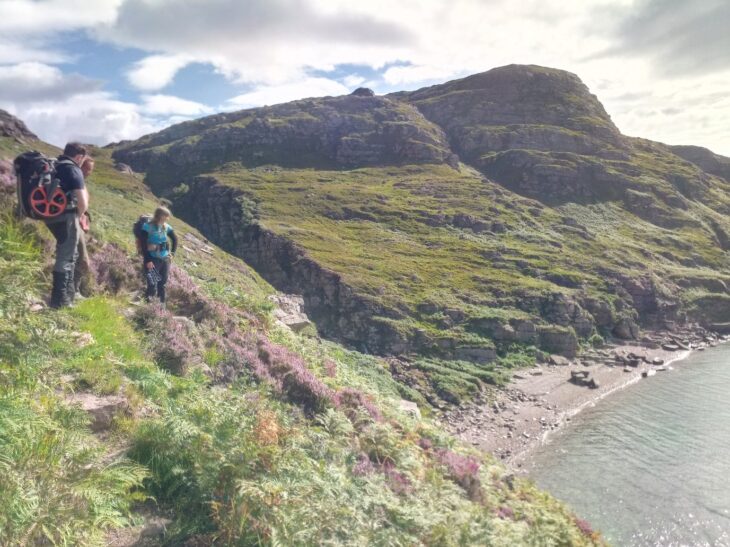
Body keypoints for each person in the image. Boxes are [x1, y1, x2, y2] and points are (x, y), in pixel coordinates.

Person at [46, 142, 90, 308]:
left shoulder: (55, 165)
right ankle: (59, 301)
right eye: (82, 159)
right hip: (65, 216)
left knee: (69, 255)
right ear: (79, 156)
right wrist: (79, 215)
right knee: (66, 256)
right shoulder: (73, 169)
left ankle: (68, 296)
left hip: (50, 215)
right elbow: (82, 202)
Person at [140, 206, 178, 304]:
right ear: (160, 216)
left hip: (165, 260)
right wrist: (148, 260)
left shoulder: (166, 227)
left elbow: (175, 239)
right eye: (166, 216)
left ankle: (161, 309)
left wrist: (172, 253)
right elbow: (143, 245)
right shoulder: (147, 226)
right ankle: (148, 307)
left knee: (162, 284)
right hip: (152, 259)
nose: (167, 218)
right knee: (152, 283)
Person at [73, 157, 95, 298]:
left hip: (79, 223)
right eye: (86, 168)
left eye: (90, 169)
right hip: (73, 221)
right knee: (82, 259)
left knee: (77, 257)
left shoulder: (81, 182)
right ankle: (73, 291)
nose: (88, 172)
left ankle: (73, 290)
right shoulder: (74, 180)